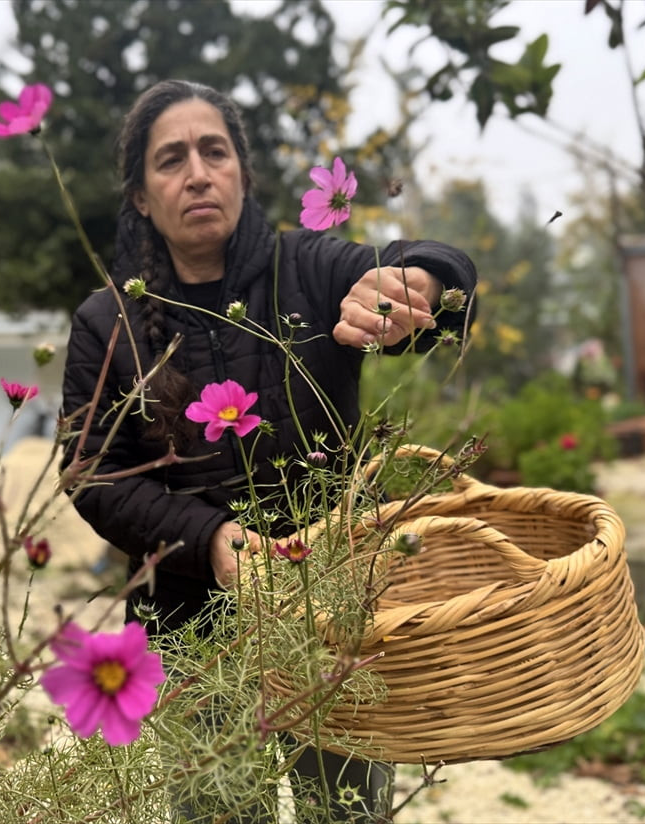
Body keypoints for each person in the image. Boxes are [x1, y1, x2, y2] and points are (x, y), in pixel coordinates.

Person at [60, 79, 477, 822]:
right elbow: (93, 474)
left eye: (215, 152)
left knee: (346, 810)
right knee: (217, 808)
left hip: (333, 609)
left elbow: (431, 273)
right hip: (192, 627)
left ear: (243, 175)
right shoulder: (107, 321)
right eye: (171, 160)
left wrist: (422, 281)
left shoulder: (310, 269)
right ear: (142, 198)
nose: (198, 174)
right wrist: (208, 539)